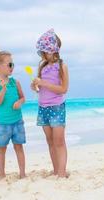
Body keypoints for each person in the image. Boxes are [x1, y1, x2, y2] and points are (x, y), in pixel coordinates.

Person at [32, 29, 69, 178]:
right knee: (50, 141)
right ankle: (56, 170)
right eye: (42, 52)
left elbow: (63, 89)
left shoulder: (62, 67)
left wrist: (44, 83)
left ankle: (62, 172)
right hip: (43, 107)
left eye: (45, 51)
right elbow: (41, 88)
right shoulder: (42, 67)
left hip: (57, 107)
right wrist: (36, 85)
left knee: (59, 141)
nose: (42, 54)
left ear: (53, 50)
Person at [0, 45, 26, 179]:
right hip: (2, 123)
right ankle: (2, 175)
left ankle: (22, 174)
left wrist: (19, 102)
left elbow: (23, 97)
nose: (12, 66)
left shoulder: (16, 82)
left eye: (13, 64)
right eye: (10, 64)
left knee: (19, 147)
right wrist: (3, 90)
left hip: (17, 121)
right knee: (2, 149)